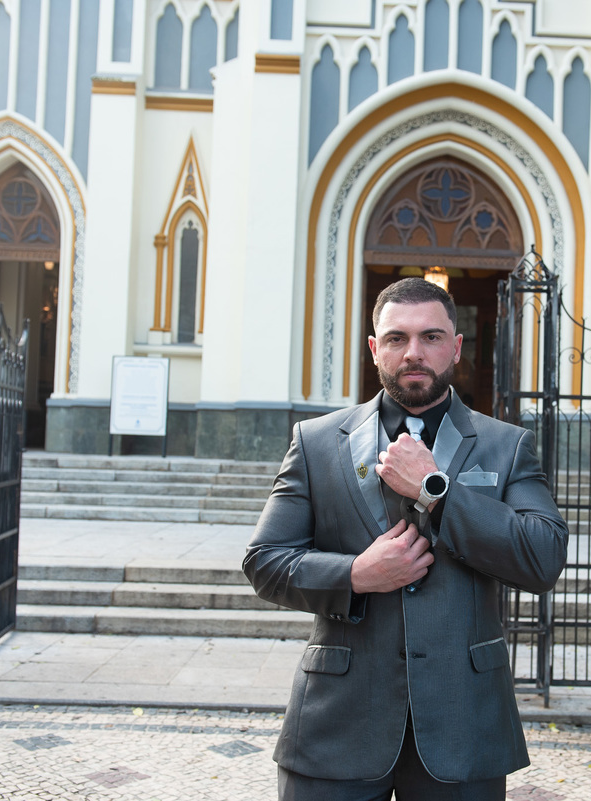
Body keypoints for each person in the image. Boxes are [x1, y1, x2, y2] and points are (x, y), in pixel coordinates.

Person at [243, 277, 568, 801]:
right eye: (396, 338)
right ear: (374, 349)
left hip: (465, 726)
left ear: (456, 347)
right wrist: (354, 575)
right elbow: (265, 561)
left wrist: (435, 491)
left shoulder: (507, 447)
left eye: (432, 337)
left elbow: (543, 557)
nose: (414, 353)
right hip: (337, 724)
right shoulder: (317, 441)